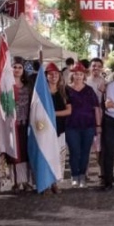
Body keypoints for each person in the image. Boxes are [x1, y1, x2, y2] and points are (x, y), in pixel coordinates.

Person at [66, 62, 100, 188]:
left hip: (88, 126)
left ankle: (82, 176)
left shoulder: (89, 90)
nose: (78, 76)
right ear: (72, 75)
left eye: (80, 74)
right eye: (76, 74)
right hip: (71, 126)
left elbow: (96, 108)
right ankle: (74, 175)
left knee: (86, 152)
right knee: (74, 152)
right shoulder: (66, 90)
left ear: (84, 76)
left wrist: (98, 125)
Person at [44, 62, 72, 193]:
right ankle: (46, 183)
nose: (53, 76)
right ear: (46, 76)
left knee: (58, 157)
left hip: (59, 129)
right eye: (50, 74)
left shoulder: (64, 91)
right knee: (46, 156)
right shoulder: (41, 92)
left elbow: (68, 111)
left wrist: (52, 113)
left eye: (56, 74)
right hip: (44, 129)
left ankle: (55, 182)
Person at [9, 57, 33, 193]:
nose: (17, 70)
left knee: (25, 153)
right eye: (15, 67)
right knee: (13, 154)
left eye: (19, 68)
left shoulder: (28, 87)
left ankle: (26, 181)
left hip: (25, 124)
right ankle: (16, 181)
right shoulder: (6, 86)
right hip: (11, 126)